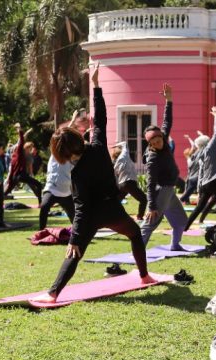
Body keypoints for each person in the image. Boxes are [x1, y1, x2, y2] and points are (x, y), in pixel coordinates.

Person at [29, 62, 155, 304]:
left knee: (74, 253)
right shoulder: (97, 146)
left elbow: (82, 209)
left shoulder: (77, 175)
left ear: (61, 153)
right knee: (135, 234)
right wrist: (96, 84)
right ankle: (144, 276)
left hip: (93, 215)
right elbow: (101, 118)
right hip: (113, 209)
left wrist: (75, 238)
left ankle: (53, 293)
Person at [139, 82, 186, 250]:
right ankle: (137, 251)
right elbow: (150, 183)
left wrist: (169, 100)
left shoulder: (164, 140)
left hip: (170, 189)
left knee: (181, 220)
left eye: (158, 140)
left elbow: (167, 121)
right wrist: (151, 206)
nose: (157, 143)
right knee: (151, 222)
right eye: (153, 142)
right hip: (161, 190)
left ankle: (175, 245)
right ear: (149, 144)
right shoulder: (152, 158)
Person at [3, 124, 43, 204]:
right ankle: (40, 203)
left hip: (16, 175)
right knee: (38, 185)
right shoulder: (20, 153)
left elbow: (12, 170)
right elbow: (21, 140)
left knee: (7, 191)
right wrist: (20, 130)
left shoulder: (14, 156)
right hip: (21, 175)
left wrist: (10, 179)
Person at [111, 141, 147, 220]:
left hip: (122, 184)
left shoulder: (115, 163)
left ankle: (113, 215)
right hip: (129, 183)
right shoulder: (124, 156)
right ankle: (140, 216)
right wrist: (116, 145)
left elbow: (114, 176)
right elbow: (124, 144)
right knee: (143, 199)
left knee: (116, 202)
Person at [179, 134, 201, 205]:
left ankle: (184, 200)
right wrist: (199, 136)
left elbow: (193, 146)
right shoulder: (193, 159)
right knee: (195, 190)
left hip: (190, 177)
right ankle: (183, 200)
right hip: (194, 177)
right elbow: (194, 146)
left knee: (188, 190)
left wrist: (189, 138)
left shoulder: (189, 159)